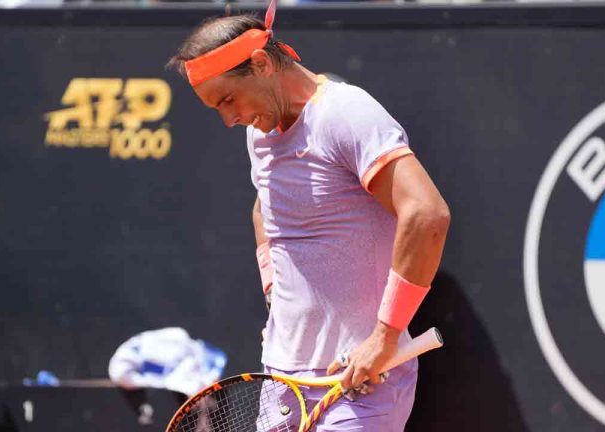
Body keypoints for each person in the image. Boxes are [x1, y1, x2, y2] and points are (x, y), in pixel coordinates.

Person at [167, 1, 450, 430]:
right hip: (281, 383)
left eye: (228, 99)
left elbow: (426, 214)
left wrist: (385, 336)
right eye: (216, 109)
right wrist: (272, 295)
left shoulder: (344, 112)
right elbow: (266, 209)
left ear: (261, 63)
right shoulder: (258, 135)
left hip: (360, 386)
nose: (228, 119)